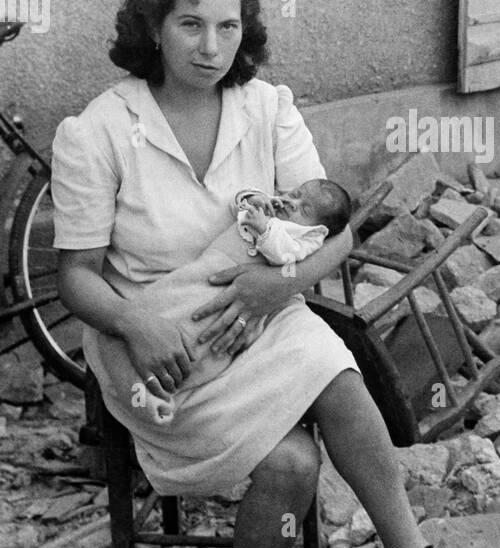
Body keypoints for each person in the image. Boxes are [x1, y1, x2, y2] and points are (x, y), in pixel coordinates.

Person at [52, 0, 500, 548]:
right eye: (191, 24)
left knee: (334, 372)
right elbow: (77, 275)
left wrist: (279, 284)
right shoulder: (100, 130)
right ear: (154, 25)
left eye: (228, 26)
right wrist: (136, 324)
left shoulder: (266, 108)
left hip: (259, 307)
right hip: (158, 342)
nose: (210, 45)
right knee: (292, 461)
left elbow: (338, 228)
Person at [88, 179, 352, 425]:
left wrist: (265, 228)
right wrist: (256, 200)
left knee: (203, 342)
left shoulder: (304, 237)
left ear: (319, 228)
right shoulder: (270, 208)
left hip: (240, 291)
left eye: (304, 209)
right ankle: (121, 343)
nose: (292, 203)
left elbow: (284, 256)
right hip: (204, 273)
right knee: (164, 306)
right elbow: (238, 204)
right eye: (295, 194)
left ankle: (156, 394)